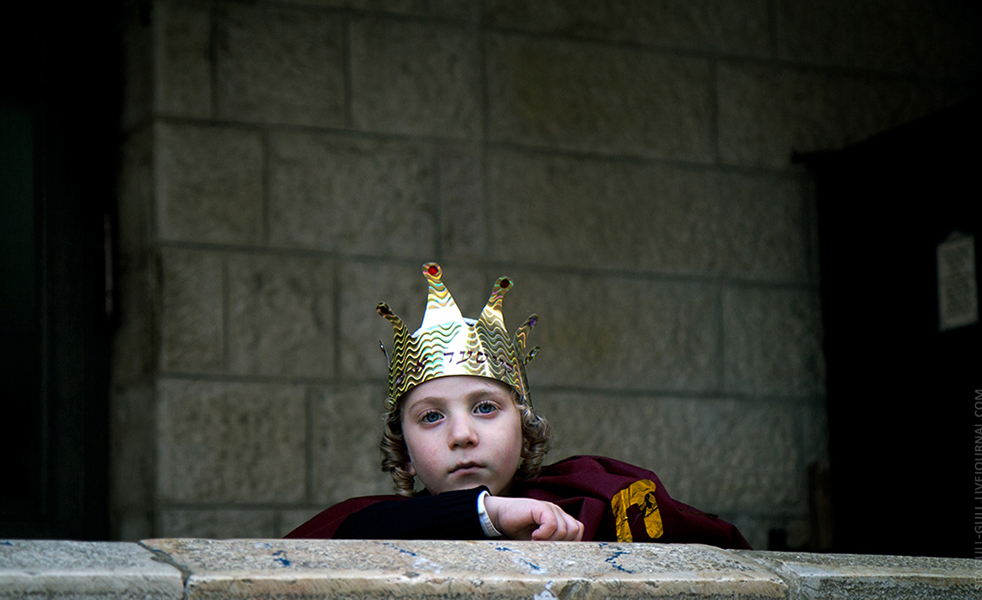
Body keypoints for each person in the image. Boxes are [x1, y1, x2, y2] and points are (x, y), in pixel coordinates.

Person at [286, 263, 750, 548]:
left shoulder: (592, 499)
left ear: (525, 431)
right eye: (431, 416)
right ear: (404, 453)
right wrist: (488, 514)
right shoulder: (367, 523)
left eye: (485, 408)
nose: (462, 435)